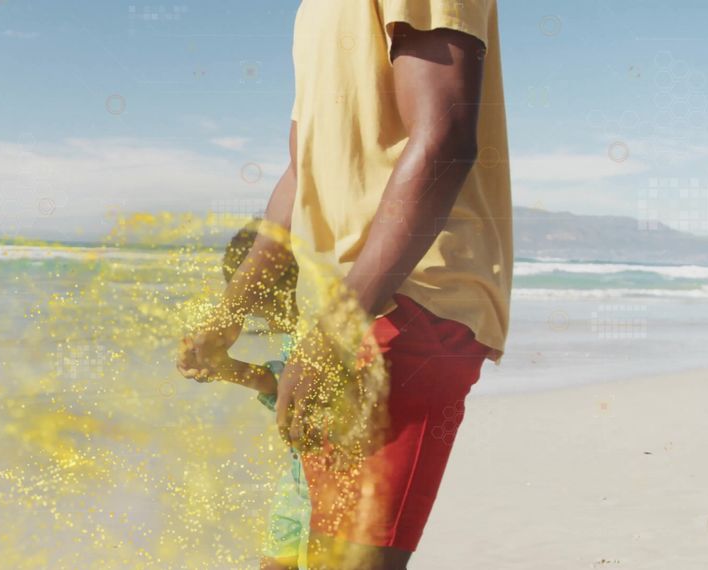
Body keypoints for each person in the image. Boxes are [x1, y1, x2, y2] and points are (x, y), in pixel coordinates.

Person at [184, 1, 514, 568]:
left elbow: (444, 140)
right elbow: (301, 170)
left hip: (406, 297)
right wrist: (232, 310)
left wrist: (337, 330)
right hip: (340, 309)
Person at [177, 219, 311, 570]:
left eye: (259, 308)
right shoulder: (294, 334)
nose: (260, 319)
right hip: (296, 481)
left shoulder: (320, 336)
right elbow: (280, 385)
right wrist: (224, 367)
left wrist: (229, 369)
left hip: (324, 485)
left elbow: (288, 391)